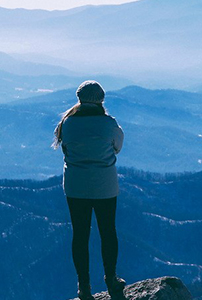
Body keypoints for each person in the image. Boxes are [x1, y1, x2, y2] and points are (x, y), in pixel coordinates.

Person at [53, 80, 126, 300]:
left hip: (76, 187)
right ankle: (111, 278)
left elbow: (64, 147)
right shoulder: (109, 124)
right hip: (105, 185)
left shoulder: (67, 123)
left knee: (80, 235)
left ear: (79, 99)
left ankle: (84, 287)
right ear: (101, 99)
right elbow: (118, 147)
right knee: (108, 232)